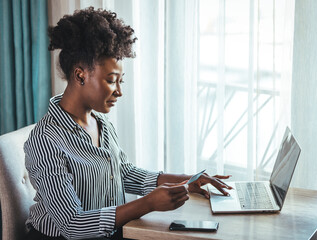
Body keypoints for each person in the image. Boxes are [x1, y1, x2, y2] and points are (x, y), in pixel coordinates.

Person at [24, 7, 231, 240]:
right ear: (80, 75)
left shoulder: (100, 122)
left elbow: (125, 173)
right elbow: (73, 224)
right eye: (111, 81)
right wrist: (148, 204)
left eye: (121, 81)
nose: (119, 92)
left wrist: (187, 180)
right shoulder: (45, 140)